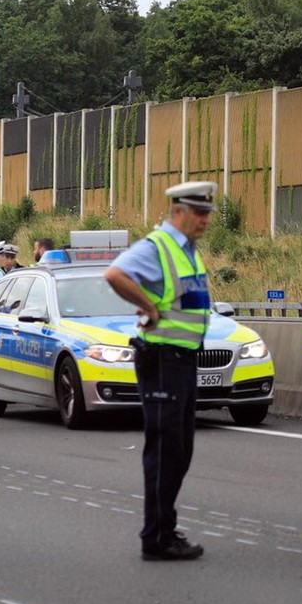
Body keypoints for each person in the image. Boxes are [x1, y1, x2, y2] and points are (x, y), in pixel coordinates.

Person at [104, 181, 217, 561]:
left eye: (207, 214)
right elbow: (115, 275)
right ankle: (157, 536)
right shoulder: (158, 246)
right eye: (198, 213)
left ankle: (162, 528)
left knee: (179, 450)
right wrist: (150, 307)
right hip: (163, 359)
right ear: (178, 212)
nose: (204, 220)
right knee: (167, 450)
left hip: (182, 359)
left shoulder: (189, 252)